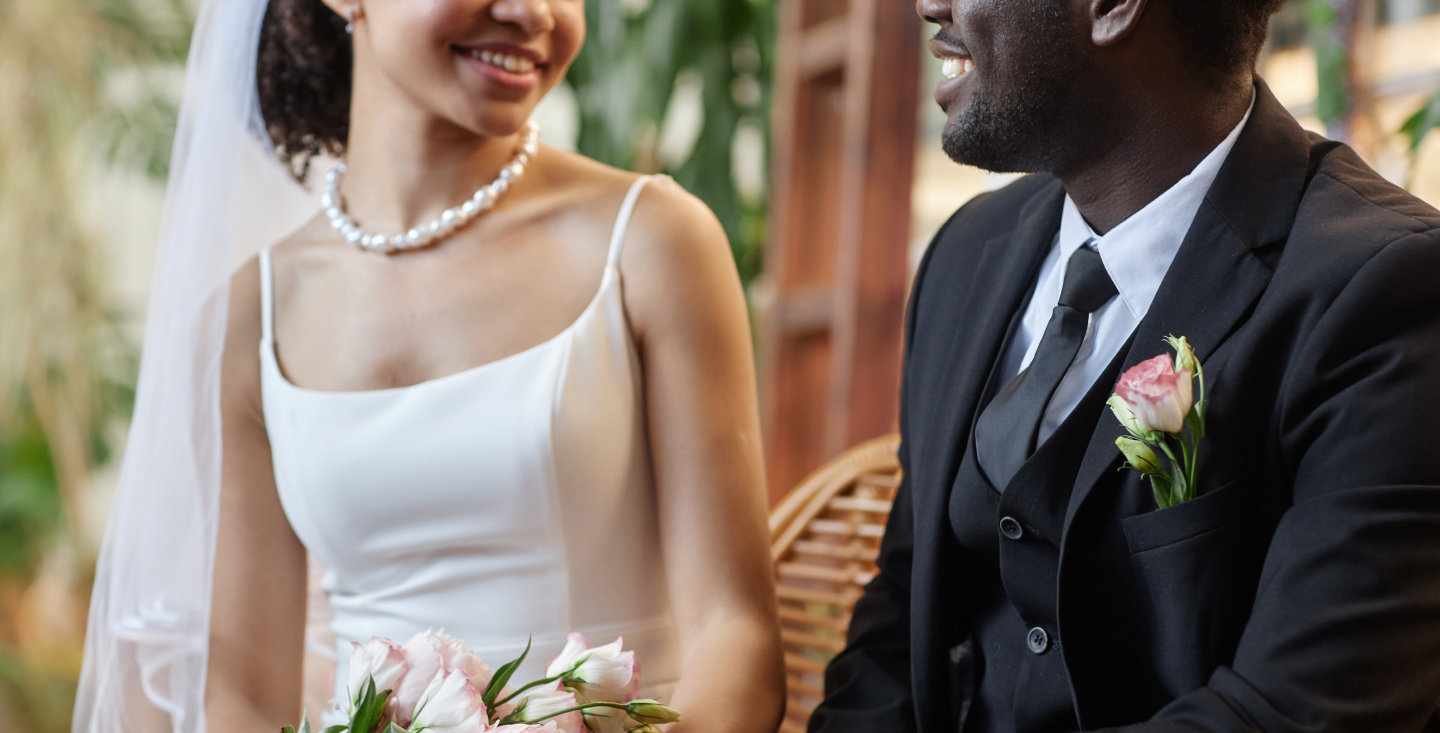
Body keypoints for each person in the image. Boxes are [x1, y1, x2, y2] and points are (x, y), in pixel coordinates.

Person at [73, 1, 784, 731]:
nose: (532, 11)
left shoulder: (652, 244)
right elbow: (241, 695)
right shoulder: (248, 319)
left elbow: (737, 636)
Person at [809, 0, 1440, 731]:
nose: (930, 6)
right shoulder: (965, 255)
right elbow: (900, 616)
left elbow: (1291, 712)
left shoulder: (1388, 294)